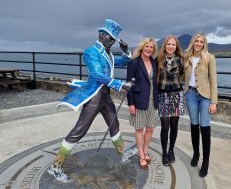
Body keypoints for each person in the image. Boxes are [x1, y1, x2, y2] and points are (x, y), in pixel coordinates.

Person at [47, 19, 135, 182]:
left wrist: (125, 52)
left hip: (106, 97)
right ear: (102, 35)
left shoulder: (108, 53)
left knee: (114, 125)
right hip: (94, 96)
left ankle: (123, 153)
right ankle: (55, 167)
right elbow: (97, 75)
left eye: (114, 39)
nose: (112, 41)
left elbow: (124, 61)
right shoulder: (91, 52)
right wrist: (121, 84)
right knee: (79, 130)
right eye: (110, 37)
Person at [183, 33, 217, 177]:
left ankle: (205, 162)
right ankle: (196, 154)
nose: (198, 44)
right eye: (196, 41)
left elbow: (214, 80)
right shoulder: (186, 57)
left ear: (204, 44)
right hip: (190, 94)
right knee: (194, 126)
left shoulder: (210, 58)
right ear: (193, 42)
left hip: (205, 97)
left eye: (201, 42)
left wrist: (214, 102)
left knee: (205, 128)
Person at [126, 38, 159, 170]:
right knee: (139, 128)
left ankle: (145, 151)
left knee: (150, 128)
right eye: (147, 46)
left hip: (152, 99)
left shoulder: (154, 62)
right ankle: (141, 155)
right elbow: (129, 84)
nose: (149, 49)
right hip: (139, 99)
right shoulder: (134, 62)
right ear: (142, 47)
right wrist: (131, 104)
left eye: (151, 47)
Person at [157, 35, 184, 166]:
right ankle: (164, 152)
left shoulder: (181, 60)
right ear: (165, 45)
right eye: (168, 44)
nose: (171, 46)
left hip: (176, 94)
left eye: (173, 44)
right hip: (162, 94)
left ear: (176, 47)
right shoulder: (158, 59)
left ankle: (171, 150)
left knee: (174, 125)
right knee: (165, 126)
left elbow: (183, 75)